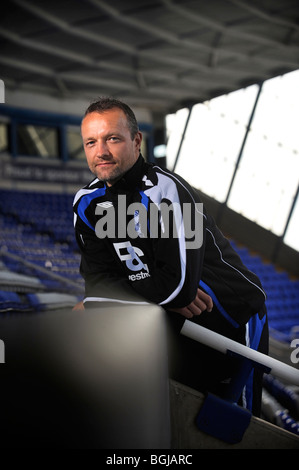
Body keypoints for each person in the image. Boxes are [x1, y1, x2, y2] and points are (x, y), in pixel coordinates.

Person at [73, 97, 268, 417]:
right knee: (175, 415)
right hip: (171, 319)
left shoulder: (171, 194)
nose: (101, 151)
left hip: (232, 318)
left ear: (137, 141)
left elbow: (177, 287)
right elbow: (97, 287)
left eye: (112, 138)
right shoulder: (87, 204)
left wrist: (133, 292)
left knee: (233, 425)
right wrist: (159, 294)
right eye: (91, 142)